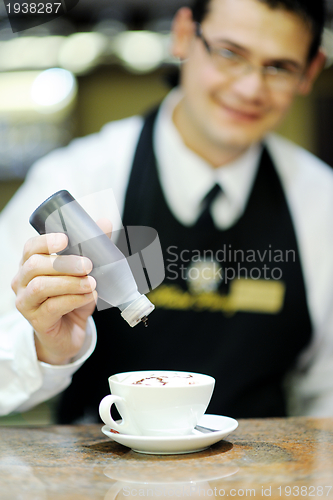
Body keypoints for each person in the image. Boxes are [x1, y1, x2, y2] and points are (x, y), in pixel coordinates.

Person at [1, 0, 333, 423]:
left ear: (310, 70)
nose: (251, 88)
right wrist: (45, 348)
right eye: (230, 53)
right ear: (182, 34)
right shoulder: (78, 181)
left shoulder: (322, 202)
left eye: (279, 67)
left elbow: (327, 394)